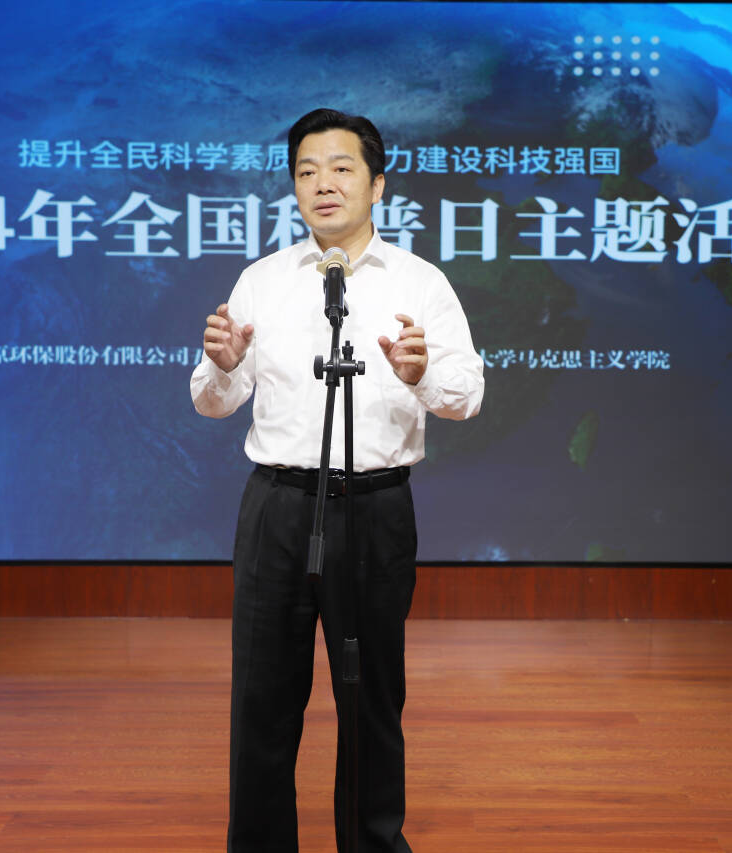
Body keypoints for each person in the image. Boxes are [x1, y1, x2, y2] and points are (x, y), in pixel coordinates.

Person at [190, 108, 484, 853]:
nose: (323, 184)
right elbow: (212, 400)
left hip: (373, 511)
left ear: (377, 184)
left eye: (342, 168)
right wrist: (223, 367)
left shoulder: (420, 282)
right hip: (278, 508)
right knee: (262, 701)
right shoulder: (262, 281)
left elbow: (467, 395)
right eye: (307, 171)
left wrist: (420, 375)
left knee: (371, 696)